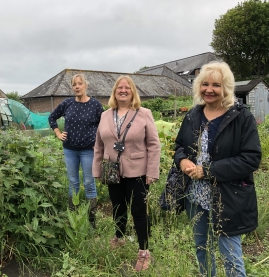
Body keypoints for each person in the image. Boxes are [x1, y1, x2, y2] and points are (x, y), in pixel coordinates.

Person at [174, 61, 261, 277]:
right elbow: (179, 146)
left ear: (226, 88)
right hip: (196, 196)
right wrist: (182, 160)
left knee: (230, 255)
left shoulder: (241, 117)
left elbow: (250, 159)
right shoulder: (193, 115)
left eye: (216, 85)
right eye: (205, 84)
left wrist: (208, 170)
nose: (209, 90)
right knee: (202, 248)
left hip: (228, 197)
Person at [92, 75, 161, 272]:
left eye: (127, 88)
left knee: (139, 212)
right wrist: (97, 169)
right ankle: (119, 237)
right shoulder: (106, 115)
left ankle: (144, 252)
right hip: (112, 170)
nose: (123, 90)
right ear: (114, 92)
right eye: (119, 88)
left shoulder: (144, 113)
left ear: (133, 92)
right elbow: (98, 145)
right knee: (117, 207)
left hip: (138, 171)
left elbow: (154, 145)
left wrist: (152, 171)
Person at [48, 73, 104, 227]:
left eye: (80, 84)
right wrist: (58, 133)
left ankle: (92, 221)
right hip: (70, 150)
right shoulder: (67, 103)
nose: (77, 87)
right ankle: (74, 218)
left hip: (88, 150)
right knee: (73, 182)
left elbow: (104, 126)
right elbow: (52, 118)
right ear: (72, 87)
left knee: (89, 182)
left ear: (86, 85)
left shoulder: (96, 105)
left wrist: (98, 143)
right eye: (74, 84)